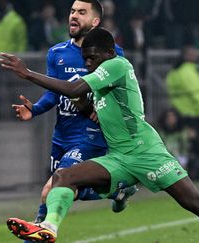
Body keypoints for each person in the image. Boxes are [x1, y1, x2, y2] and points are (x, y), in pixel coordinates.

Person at [0, 28, 199, 243]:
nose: (88, 63)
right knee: (64, 176)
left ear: (109, 53)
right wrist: (69, 108)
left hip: (148, 154)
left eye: (92, 58)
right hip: (118, 157)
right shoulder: (101, 84)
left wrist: (27, 73)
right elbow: (87, 101)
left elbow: (73, 88)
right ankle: (49, 228)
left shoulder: (117, 65)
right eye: (85, 59)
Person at [9, 0, 137, 233]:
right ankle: (117, 188)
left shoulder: (112, 54)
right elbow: (53, 93)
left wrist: (105, 111)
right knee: (71, 190)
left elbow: (119, 91)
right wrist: (35, 109)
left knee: (50, 189)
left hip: (90, 135)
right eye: (72, 11)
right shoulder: (56, 53)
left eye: (81, 12)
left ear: (95, 21)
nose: (73, 16)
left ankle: (41, 231)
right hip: (62, 135)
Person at [165, 46, 199, 180]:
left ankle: (183, 174)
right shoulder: (188, 72)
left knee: (183, 146)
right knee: (197, 146)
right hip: (194, 115)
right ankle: (198, 175)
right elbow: (197, 95)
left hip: (179, 113)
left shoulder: (174, 72)